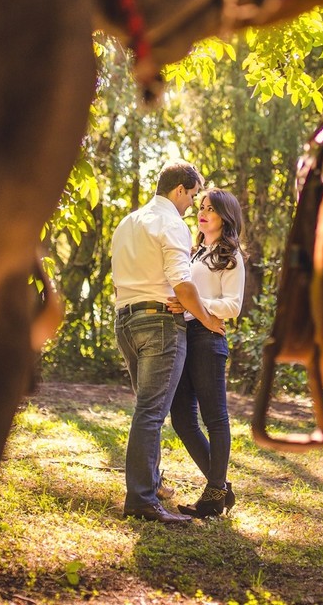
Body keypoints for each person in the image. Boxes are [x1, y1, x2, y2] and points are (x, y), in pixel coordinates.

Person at [111, 161, 225, 524]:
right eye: (192, 196)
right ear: (180, 189)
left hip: (125, 320)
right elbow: (183, 285)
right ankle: (142, 499)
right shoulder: (170, 222)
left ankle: (152, 484)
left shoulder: (128, 222)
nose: (192, 204)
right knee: (152, 413)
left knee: (148, 409)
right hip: (159, 324)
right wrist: (207, 318)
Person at [167, 188, 247, 518]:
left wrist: (196, 305)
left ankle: (214, 495)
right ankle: (221, 486)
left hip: (208, 339)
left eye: (210, 209)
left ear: (224, 217)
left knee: (215, 418)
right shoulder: (195, 252)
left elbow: (233, 305)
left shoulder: (230, 256)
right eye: (201, 207)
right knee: (182, 418)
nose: (202, 212)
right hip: (184, 335)